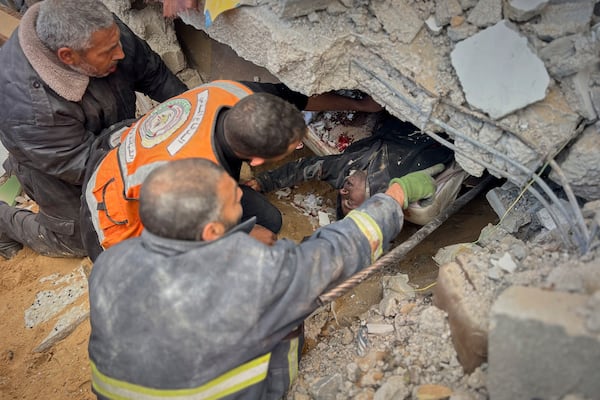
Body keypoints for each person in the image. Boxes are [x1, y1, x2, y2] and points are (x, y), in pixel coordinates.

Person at [88, 157, 441, 400]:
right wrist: (395, 197)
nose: (242, 196)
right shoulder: (253, 276)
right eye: (233, 200)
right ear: (210, 231)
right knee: (285, 320)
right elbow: (340, 251)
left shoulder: (111, 262)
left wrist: (236, 236)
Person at [81, 80, 382, 260]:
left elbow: (296, 97)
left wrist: (361, 106)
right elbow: (189, 240)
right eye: (293, 148)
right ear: (257, 161)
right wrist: (240, 239)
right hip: (117, 222)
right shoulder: (193, 181)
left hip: (138, 160)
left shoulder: (238, 94)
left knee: (268, 221)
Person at [0, 0, 188, 260]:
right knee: (84, 236)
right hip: (63, 163)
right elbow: (88, 165)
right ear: (68, 56)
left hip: (78, 137)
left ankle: (24, 158)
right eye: (109, 51)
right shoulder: (28, 110)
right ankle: (4, 221)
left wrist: (194, 116)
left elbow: (152, 74)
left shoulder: (99, 31)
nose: (120, 53)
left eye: (117, 41)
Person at [247, 111, 467, 224]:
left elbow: (306, 167)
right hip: (440, 133)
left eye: (340, 196)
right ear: (372, 203)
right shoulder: (394, 187)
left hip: (402, 120)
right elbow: (426, 188)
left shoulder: (344, 170)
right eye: (349, 201)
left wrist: (265, 181)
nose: (342, 191)